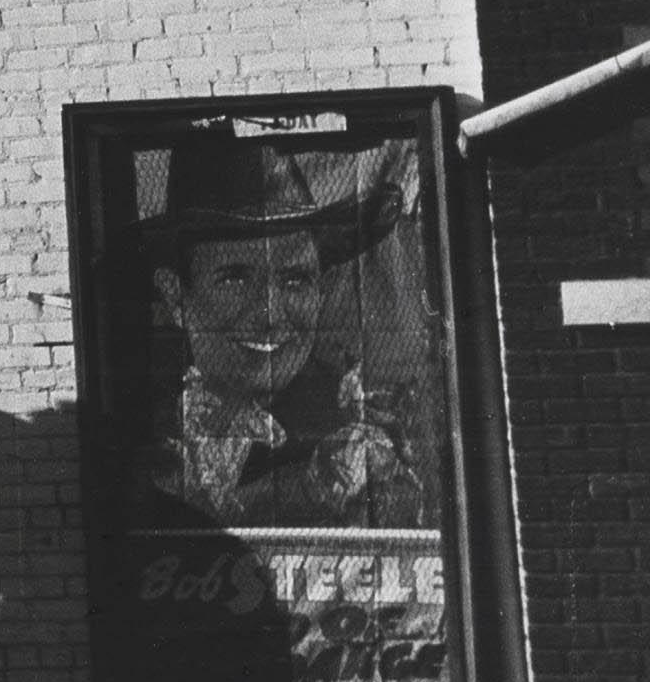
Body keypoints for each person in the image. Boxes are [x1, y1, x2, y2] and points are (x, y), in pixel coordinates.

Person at [137, 135, 433, 530]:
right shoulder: (136, 427)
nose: (271, 314)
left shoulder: (357, 439)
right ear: (177, 297)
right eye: (234, 279)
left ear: (321, 290)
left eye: (295, 280)